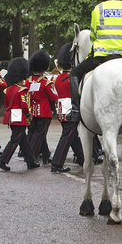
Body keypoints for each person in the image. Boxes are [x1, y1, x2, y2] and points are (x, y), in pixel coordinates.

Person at [0, 57, 40, 170]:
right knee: (15, 139)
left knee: (23, 141)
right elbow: (24, 105)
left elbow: (6, 104)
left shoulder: (9, 89)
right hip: (19, 117)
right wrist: (29, 114)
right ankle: (2, 160)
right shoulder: (21, 90)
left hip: (11, 116)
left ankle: (31, 161)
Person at [50, 43, 84, 173]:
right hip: (71, 109)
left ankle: (83, 159)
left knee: (72, 135)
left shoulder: (58, 78)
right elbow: (77, 95)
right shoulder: (73, 78)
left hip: (61, 109)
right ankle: (57, 163)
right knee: (67, 136)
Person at [26, 50, 58, 165]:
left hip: (31, 112)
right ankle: (31, 157)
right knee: (39, 134)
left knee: (38, 134)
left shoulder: (27, 82)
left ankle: (46, 155)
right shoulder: (46, 83)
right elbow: (54, 97)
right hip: (44, 113)